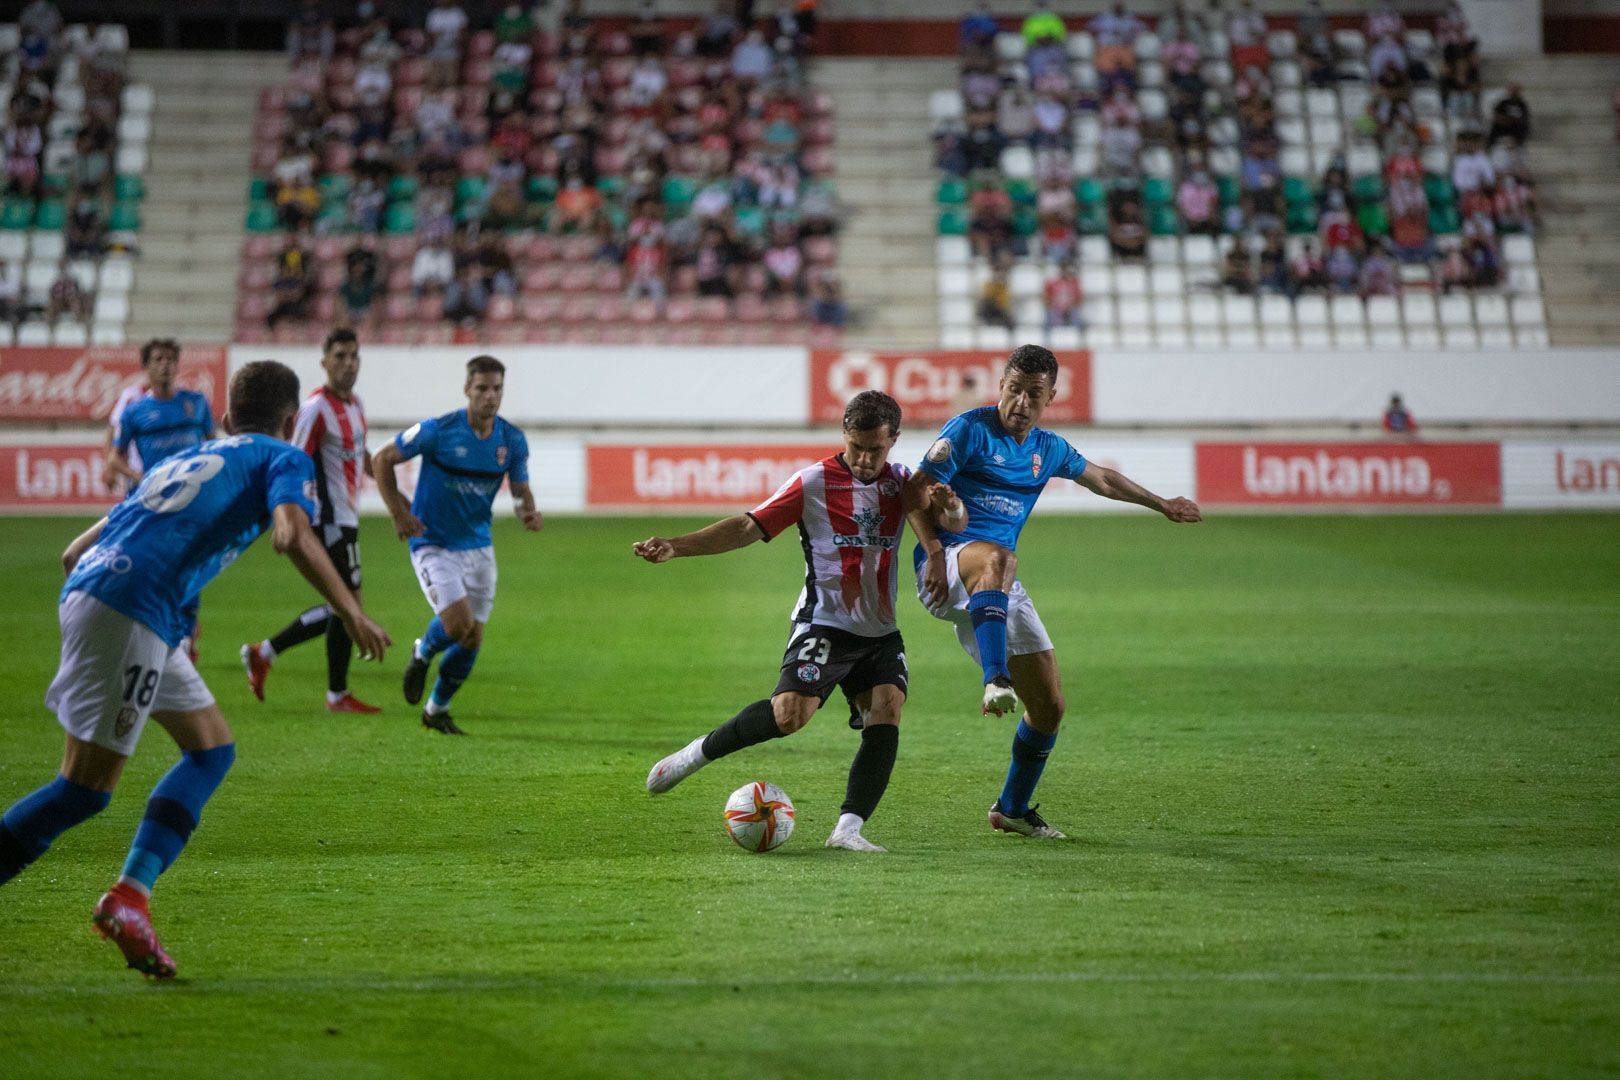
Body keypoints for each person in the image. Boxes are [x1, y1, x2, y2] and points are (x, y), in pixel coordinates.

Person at [0, 360, 391, 979]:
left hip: (110, 598)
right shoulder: (283, 458)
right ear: (292, 422)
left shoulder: (180, 459)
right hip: (133, 612)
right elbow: (290, 534)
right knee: (80, 792)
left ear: (228, 419)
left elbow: (72, 551)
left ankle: (131, 897)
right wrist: (351, 613)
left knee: (211, 750)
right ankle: (124, 897)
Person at [636, 391, 967, 853]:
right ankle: (694, 754)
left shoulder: (905, 484)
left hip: (879, 631)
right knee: (790, 716)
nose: (866, 459)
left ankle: (848, 830)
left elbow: (952, 523)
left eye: (877, 449)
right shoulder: (812, 482)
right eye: (857, 447)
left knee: (887, 709)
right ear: (844, 436)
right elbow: (749, 526)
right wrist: (678, 546)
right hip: (824, 623)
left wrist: (949, 507)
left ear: (895, 439)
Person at [912, 345, 1201, 839]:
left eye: (1033, 393)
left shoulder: (1049, 449)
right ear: (1000, 385)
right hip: (950, 566)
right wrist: (935, 553)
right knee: (1002, 558)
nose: (1020, 401)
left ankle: (1012, 808)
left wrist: (1161, 503)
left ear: (1051, 397)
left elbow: (1103, 479)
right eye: (1013, 389)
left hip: (996, 586)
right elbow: (913, 490)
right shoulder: (968, 430)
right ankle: (995, 677)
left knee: (1049, 707)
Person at [372, 356, 542, 735]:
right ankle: (422, 652)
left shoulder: (511, 440)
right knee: (457, 624)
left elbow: (519, 489)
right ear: (467, 389)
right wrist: (399, 511)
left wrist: (525, 511)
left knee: (472, 637)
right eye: (482, 388)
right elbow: (381, 459)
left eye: (497, 388)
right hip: (433, 543)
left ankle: (436, 710)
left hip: (479, 546)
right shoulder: (437, 431)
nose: (490, 396)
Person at [242, 330, 381, 715]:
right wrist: (289, 515)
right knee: (348, 606)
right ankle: (336, 695)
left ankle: (265, 652)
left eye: (354, 355)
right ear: (324, 362)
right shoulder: (316, 409)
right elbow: (292, 459)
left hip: (347, 518)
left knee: (343, 606)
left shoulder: (356, 406)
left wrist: (390, 490)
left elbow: (359, 452)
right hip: (326, 519)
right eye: (339, 356)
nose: (348, 363)